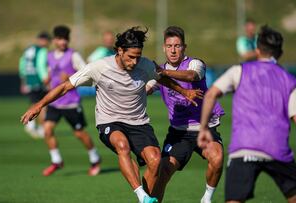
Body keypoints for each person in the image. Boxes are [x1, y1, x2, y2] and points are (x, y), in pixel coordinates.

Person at [21, 26, 203, 203]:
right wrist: (38, 105)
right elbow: (64, 87)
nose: (134, 62)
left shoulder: (145, 65)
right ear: (120, 51)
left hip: (139, 122)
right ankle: (141, 195)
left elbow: (161, 78)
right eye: (131, 57)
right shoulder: (98, 67)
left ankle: (146, 198)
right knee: (122, 146)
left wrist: (184, 92)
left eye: (138, 57)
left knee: (155, 161)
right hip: (110, 121)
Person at [198, 25, 296, 203]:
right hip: (277, 148)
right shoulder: (290, 81)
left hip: (244, 148)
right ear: (280, 52)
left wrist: (204, 127)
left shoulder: (239, 71)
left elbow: (211, 93)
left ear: (257, 50)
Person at [147, 26, 225, 203]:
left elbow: (192, 76)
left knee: (217, 157)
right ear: (163, 48)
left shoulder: (195, 64)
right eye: (169, 46)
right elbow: (147, 89)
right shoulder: (158, 73)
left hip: (205, 128)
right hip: (179, 132)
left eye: (177, 46)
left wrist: (164, 73)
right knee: (164, 170)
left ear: (184, 47)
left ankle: (207, 198)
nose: (173, 50)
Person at [42, 25, 101, 177]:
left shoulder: (74, 55)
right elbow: (51, 72)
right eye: (60, 39)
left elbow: (86, 73)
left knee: (79, 134)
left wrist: (69, 77)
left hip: (71, 102)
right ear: (55, 40)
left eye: (65, 39)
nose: (63, 42)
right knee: (47, 130)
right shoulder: (49, 56)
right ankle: (56, 161)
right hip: (55, 102)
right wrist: (48, 79)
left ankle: (95, 159)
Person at [19, 31, 50, 138]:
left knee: (34, 103)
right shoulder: (42, 50)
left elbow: (22, 64)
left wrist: (24, 80)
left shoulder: (29, 49)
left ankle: (30, 124)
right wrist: (46, 79)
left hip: (30, 80)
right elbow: (41, 66)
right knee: (43, 105)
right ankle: (41, 129)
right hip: (39, 81)